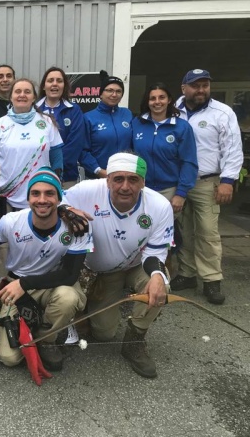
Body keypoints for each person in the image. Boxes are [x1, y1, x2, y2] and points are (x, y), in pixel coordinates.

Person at [61, 152, 174, 378]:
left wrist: (157, 277)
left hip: (138, 265)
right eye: (118, 179)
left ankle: (135, 340)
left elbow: (156, 252)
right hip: (103, 271)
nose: (125, 186)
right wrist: (65, 210)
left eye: (133, 180)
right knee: (104, 334)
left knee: (161, 282)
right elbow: (56, 197)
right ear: (108, 180)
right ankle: (95, 305)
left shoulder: (160, 206)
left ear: (143, 182)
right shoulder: (87, 190)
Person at [0, 168, 93, 371]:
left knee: (68, 297)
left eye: (49, 193)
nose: (42, 200)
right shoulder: (11, 222)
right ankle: (30, 324)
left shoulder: (77, 226)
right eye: (35, 193)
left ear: (60, 198)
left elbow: (70, 275)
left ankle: (47, 340)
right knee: (10, 358)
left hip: (53, 282)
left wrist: (25, 284)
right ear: (28, 198)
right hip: (15, 282)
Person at [171, 69, 244, 305]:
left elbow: (232, 148)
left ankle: (211, 280)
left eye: (205, 85)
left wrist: (227, 181)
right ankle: (187, 273)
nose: (201, 90)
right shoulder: (173, 110)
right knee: (183, 231)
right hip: (179, 182)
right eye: (195, 85)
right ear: (184, 88)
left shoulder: (222, 113)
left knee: (207, 232)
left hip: (207, 181)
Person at [0, 78, 64, 212]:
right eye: (18, 91)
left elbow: (57, 160)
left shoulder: (47, 122)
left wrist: (56, 187)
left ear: (34, 98)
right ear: (11, 97)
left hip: (40, 196)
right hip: (6, 197)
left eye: (27, 92)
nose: (22, 95)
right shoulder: (0, 124)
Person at [131, 83, 198, 213]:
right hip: (141, 188)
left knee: (165, 231)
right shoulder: (136, 124)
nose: (157, 102)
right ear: (147, 101)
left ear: (169, 100)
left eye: (162, 97)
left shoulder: (182, 127)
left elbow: (188, 162)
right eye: (152, 98)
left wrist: (181, 193)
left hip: (169, 190)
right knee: (141, 228)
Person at [36, 67, 88, 188]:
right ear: (44, 86)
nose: (55, 84)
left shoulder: (74, 110)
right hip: (37, 175)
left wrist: (56, 168)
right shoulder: (34, 110)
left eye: (59, 81)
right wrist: (44, 169)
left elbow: (75, 144)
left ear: (64, 86)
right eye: (50, 80)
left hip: (67, 177)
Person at [80, 71, 133, 179]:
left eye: (118, 91)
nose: (114, 94)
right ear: (101, 94)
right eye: (109, 90)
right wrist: (99, 171)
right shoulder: (88, 118)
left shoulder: (127, 114)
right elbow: (82, 151)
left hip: (124, 177)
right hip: (97, 178)